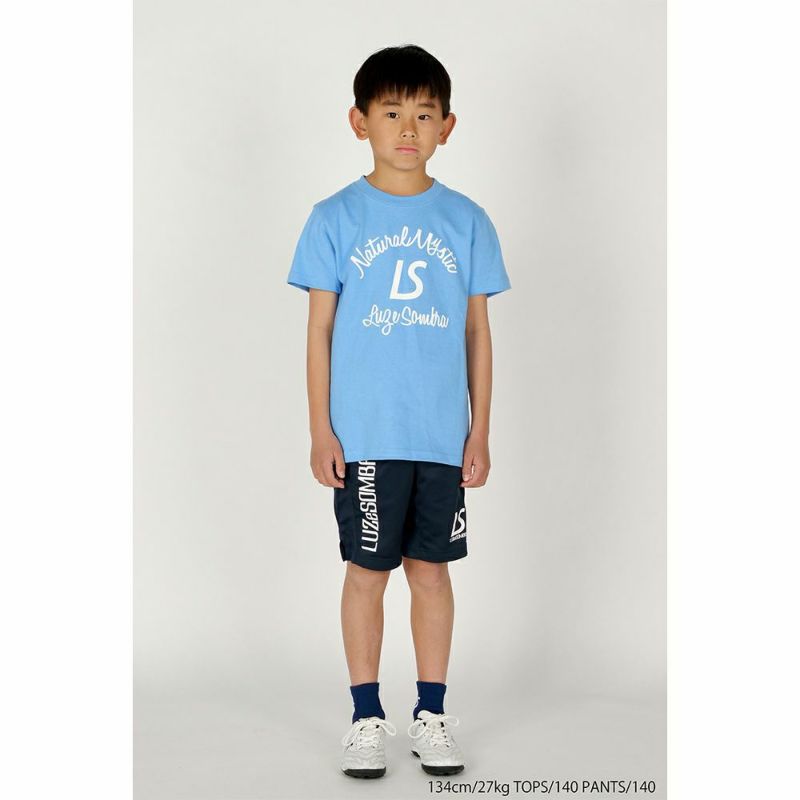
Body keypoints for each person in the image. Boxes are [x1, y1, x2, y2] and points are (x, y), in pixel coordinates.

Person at [286, 44, 511, 779]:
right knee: (366, 571)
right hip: (367, 435)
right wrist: (321, 428)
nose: (408, 129)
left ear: (448, 125)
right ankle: (364, 717)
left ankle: (432, 714)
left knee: (433, 573)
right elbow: (319, 331)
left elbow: (477, 333)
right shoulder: (334, 217)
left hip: (440, 436)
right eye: (391, 113)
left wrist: (479, 429)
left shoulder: (467, 220)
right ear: (360, 122)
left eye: (424, 114)